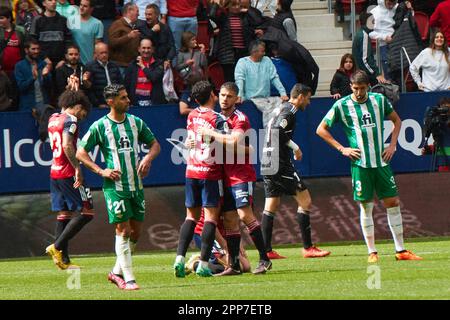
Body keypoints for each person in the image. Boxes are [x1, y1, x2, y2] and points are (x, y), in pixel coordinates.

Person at [316, 70, 423, 263]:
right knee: (366, 206)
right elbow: (320, 129)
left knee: (393, 203)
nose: (358, 93)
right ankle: (372, 252)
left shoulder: (379, 100)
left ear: (368, 87)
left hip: (381, 162)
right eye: (355, 88)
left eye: (362, 88)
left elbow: (397, 121)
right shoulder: (342, 105)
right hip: (360, 164)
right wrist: (342, 149)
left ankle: (401, 250)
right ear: (351, 86)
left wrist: (392, 144)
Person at [76, 84, 161, 290]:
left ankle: (115, 273)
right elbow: (80, 152)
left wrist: (148, 158)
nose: (128, 100)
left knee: (135, 233)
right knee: (123, 230)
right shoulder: (100, 126)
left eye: (127, 97)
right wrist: (101, 171)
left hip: (136, 185)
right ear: (110, 102)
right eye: (123, 98)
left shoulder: (136, 122)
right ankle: (129, 279)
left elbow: (155, 144)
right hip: (115, 187)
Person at [197, 82, 272, 275]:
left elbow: (233, 140)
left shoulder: (240, 118)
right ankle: (234, 265)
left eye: (229, 96)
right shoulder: (215, 118)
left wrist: (212, 135)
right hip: (223, 175)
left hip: (240, 174)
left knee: (244, 215)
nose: (224, 99)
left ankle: (264, 259)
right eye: (222, 95)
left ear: (237, 99)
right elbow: (208, 142)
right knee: (230, 220)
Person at [260, 83, 331, 260]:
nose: (308, 102)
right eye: (308, 98)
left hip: (267, 161)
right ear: (300, 96)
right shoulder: (289, 111)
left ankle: (266, 250)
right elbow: (277, 131)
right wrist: (295, 147)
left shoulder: (279, 108)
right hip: (279, 163)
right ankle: (308, 248)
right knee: (305, 201)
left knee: (271, 205)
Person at [173, 80, 226, 278]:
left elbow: (189, 141)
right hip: (209, 171)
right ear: (212, 94)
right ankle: (203, 263)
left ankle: (179, 258)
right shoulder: (217, 118)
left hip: (191, 170)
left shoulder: (193, 115)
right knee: (210, 218)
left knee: (190, 216)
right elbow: (226, 142)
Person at [45, 88, 94, 270]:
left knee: (64, 213)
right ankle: (56, 246)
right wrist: (77, 168)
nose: (82, 116)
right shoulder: (71, 120)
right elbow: (66, 144)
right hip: (68, 172)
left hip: (54, 171)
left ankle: (63, 260)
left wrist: (74, 87)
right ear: (79, 107)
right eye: (83, 112)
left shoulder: (53, 118)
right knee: (86, 212)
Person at [234, 40, 288, 127]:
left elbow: (274, 78)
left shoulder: (267, 61)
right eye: (262, 51)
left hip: (266, 100)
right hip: (248, 102)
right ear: (254, 52)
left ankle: (271, 139)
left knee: (271, 127)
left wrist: (283, 93)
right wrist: (239, 95)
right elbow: (239, 80)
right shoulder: (242, 62)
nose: (264, 53)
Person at [29, 0, 72, 67]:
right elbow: (33, 41)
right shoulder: (37, 20)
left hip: (61, 62)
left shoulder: (63, 20)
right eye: (50, 0)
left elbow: (68, 41)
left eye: (55, 0)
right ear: (44, 3)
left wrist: (64, 60)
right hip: (42, 61)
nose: (53, 2)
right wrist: (44, 58)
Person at [124, 38, 165, 107]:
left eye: (149, 48)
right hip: (135, 104)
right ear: (139, 49)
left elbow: (154, 77)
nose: (146, 51)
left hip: (154, 104)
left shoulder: (159, 63)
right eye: (143, 48)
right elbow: (127, 84)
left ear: (153, 49)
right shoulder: (133, 64)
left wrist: (143, 66)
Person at [14, 39, 52, 112]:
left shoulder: (43, 64)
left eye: (38, 49)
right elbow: (21, 87)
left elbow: (49, 86)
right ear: (26, 50)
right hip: (28, 105)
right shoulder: (19, 66)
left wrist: (45, 76)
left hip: (44, 103)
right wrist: (33, 78)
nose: (36, 51)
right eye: (33, 49)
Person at [352, 11, 386, 86]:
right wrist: (376, 74)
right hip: (365, 76)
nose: (374, 24)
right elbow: (365, 60)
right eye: (373, 21)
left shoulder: (362, 34)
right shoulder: (363, 36)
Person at [137, 3, 175, 71]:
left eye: (150, 14)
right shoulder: (141, 27)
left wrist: (168, 60)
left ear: (157, 15)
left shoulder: (165, 28)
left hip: (162, 63)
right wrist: (152, 31)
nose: (147, 17)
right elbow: (142, 43)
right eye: (146, 14)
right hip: (145, 64)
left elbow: (172, 47)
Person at [85, 42, 123, 108]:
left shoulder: (114, 66)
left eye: (106, 52)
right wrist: (97, 104)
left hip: (115, 102)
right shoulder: (90, 67)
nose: (104, 55)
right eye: (101, 53)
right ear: (96, 54)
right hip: (99, 105)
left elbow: (121, 84)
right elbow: (89, 90)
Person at [67, 0, 103, 65]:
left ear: (91, 9)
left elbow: (97, 46)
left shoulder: (97, 23)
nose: (81, 8)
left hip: (89, 62)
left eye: (85, 6)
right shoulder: (71, 20)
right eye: (80, 5)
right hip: (73, 62)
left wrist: (93, 62)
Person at [369, 0, 398, 80]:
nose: (391, 6)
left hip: (397, 43)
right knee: (387, 72)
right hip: (384, 45)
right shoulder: (374, 12)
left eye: (393, 3)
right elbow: (370, 32)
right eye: (389, 3)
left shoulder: (398, 8)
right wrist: (384, 37)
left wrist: (410, 9)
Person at [108, 2, 140, 73]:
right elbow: (111, 43)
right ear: (129, 10)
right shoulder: (117, 24)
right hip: (120, 66)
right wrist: (128, 36)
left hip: (132, 65)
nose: (139, 14)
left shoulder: (135, 25)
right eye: (137, 11)